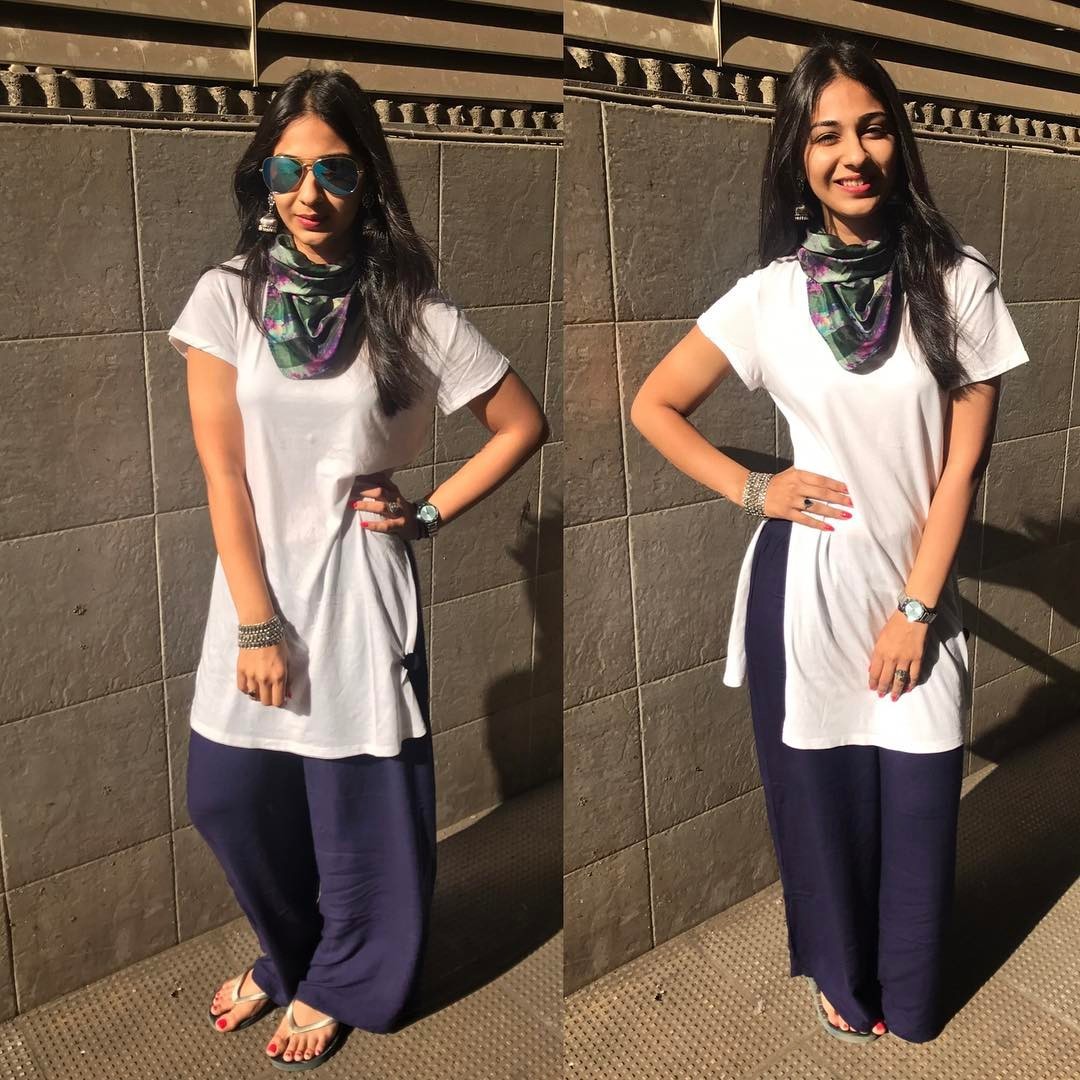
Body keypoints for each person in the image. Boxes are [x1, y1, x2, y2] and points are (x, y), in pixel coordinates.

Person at [629, 37, 1029, 1045]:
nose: (853, 154)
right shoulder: (766, 298)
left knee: (921, 796)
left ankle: (910, 986)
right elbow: (654, 404)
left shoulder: (959, 282)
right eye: (826, 135)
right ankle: (841, 976)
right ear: (798, 158)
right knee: (820, 806)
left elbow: (961, 470)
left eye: (873, 129)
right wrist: (753, 487)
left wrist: (915, 608)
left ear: (900, 143)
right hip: (802, 590)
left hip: (912, 598)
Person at [167, 68, 546, 1070]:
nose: (309, 192)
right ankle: (295, 954)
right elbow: (222, 470)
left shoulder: (411, 309)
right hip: (256, 591)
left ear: (367, 178)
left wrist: (426, 510)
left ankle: (343, 980)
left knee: (360, 810)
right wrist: (256, 621)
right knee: (228, 796)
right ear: (263, 175)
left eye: (334, 170)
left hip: (361, 590)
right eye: (287, 169)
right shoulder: (226, 298)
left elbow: (521, 423)